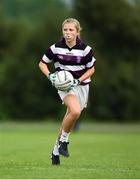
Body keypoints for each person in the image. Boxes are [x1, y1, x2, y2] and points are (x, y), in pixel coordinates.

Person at [39, 18, 96, 165]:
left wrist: (79, 80)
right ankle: (64, 141)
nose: (68, 32)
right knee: (75, 112)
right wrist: (50, 76)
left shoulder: (85, 49)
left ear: (77, 32)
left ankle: (55, 151)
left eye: (71, 30)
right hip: (65, 86)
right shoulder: (56, 48)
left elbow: (92, 69)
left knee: (69, 118)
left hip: (82, 86)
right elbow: (42, 63)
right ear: (62, 31)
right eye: (65, 30)